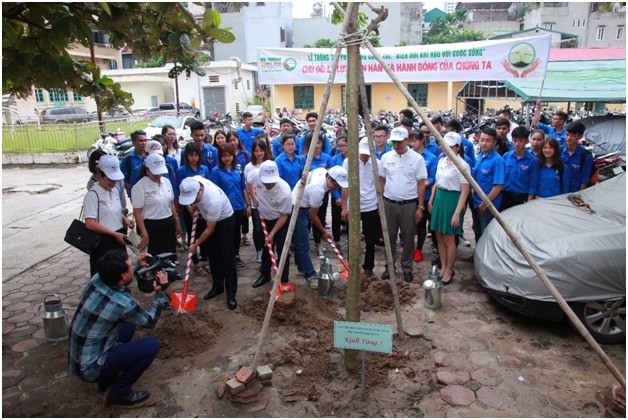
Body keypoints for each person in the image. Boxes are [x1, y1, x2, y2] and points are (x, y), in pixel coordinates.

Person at [68, 249, 170, 406]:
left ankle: (106, 381)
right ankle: (120, 392)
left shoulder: (97, 279)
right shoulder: (122, 303)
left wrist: (137, 264)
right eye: (131, 267)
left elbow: (122, 274)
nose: (133, 268)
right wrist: (160, 293)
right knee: (151, 345)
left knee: (128, 326)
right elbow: (150, 322)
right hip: (91, 369)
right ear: (122, 275)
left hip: (78, 360)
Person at [179, 175, 238, 309]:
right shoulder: (193, 181)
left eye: (194, 198)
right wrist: (194, 206)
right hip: (209, 218)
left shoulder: (213, 200)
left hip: (225, 222)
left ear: (200, 190)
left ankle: (231, 294)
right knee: (213, 256)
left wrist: (195, 245)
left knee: (227, 258)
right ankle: (217, 287)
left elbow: (210, 229)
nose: (193, 201)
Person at [379, 127, 427, 283]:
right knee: (389, 236)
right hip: (389, 203)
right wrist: (380, 202)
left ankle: (407, 267)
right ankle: (389, 266)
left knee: (407, 237)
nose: (397, 145)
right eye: (394, 142)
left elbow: (421, 184)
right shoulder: (386, 157)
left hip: (409, 204)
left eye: (399, 142)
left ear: (407, 140)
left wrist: (420, 207)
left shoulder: (417, 159)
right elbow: (382, 180)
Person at [292, 166, 348, 288]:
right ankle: (310, 275)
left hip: (301, 201)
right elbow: (313, 215)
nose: (337, 188)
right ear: (329, 178)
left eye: (339, 186)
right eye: (336, 185)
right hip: (298, 208)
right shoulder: (317, 189)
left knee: (299, 239)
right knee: (303, 243)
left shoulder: (322, 172)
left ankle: (301, 266)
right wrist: (324, 231)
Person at [428, 132, 471, 284]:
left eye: (451, 146)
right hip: (440, 199)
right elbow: (437, 183)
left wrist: (457, 213)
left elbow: (465, 191)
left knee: (449, 238)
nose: (446, 149)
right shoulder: (441, 161)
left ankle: (450, 270)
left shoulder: (463, 165)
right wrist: (431, 200)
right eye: (444, 146)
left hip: (453, 201)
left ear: (458, 147)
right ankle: (443, 266)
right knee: (439, 235)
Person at [84, 155, 134, 277]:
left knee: (120, 274)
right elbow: (90, 223)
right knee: (106, 275)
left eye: (115, 180)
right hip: (103, 242)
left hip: (118, 237)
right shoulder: (93, 195)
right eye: (110, 179)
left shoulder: (115, 191)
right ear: (100, 175)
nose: (113, 183)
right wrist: (113, 234)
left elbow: (114, 210)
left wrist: (124, 218)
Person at [248, 160, 293, 288]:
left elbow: (284, 216)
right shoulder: (255, 175)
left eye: (271, 181)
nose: (268, 184)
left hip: (280, 220)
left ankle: (283, 279)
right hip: (264, 217)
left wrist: (272, 234)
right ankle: (265, 274)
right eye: (265, 181)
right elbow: (248, 180)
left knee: (282, 248)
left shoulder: (284, 192)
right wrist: (254, 197)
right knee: (266, 247)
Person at [341, 138, 382, 277]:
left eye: (367, 154)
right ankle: (352, 265)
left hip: (370, 205)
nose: (364, 156)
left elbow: (381, 181)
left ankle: (368, 266)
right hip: (354, 205)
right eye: (362, 153)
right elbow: (345, 184)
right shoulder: (349, 162)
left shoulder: (377, 163)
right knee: (352, 238)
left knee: (370, 239)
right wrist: (344, 207)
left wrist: (378, 202)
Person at [131, 154, 181, 257]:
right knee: (155, 258)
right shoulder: (140, 187)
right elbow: (137, 212)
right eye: (155, 173)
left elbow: (171, 203)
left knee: (169, 256)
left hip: (168, 223)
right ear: (147, 169)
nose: (158, 176)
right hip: (151, 226)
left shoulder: (166, 182)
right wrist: (144, 233)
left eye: (160, 172)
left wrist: (176, 221)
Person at [210, 143, 251, 268]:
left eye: (229, 155)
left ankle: (236, 255)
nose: (227, 158)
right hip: (224, 208)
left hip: (238, 205)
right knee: (226, 233)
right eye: (224, 156)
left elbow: (243, 187)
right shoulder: (216, 171)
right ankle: (226, 257)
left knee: (236, 233)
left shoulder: (238, 168)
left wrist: (248, 204)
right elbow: (214, 190)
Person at [174, 142, 211, 273]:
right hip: (188, 209)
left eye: (196, 155)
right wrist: (190, 208)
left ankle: (205, 259)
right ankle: (195, 263)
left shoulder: (204, 169)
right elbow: (180, 192)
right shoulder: (181, 171)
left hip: (203, 208)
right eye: (191, 155)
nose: (193, 158)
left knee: (205, 234)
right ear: (186, 156)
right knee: (192, 236)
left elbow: (207, 188)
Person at [471, 127, 505, 241]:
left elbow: (498, 186)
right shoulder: (479, 157)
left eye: (488, 140)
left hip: (488, 205)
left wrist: (486, 203)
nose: (484, 143)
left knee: (486, 233)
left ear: (495, 142)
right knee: (477, 230)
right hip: (476, 202)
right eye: (482, 139)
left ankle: (485, 257)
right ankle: (477, 255)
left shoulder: (497, 160)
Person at [409, 130, 437, 263]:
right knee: (411, 223)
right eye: (411, 140)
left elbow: (432, 178)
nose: (412, 143)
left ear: (422, 141)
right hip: (409, 196)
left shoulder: (431, 158)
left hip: (425, 196)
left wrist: (421, 185)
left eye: (415, 140)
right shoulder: (408, 156)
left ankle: (419, 248)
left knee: (422, 223)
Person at [304, 130, 332, 259]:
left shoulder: (327, 158)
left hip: (323, 193)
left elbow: (331, 177)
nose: (316, 145)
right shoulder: (305, 158)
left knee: (319, 216)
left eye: (319, 142)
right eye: (313, 143)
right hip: (308, 194)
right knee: (310, 218)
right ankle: (312, 243)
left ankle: (318, 243)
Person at [245, 138, 273, 263]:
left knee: (268, 227)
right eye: (256, 151)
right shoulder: (249, 167)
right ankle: (259, 250)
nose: (259, 153)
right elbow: (248, 184)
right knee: (257, 227)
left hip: (269, 201)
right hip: (255, 202)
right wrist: (253, 199)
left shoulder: (270, 164)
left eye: (261, 150)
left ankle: (269, 249)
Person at [500, 126, 539, 211]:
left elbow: (533, 184)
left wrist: (528, 204)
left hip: (521, 199)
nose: (517, 144)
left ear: (526, 141)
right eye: (515, 140)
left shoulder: (533, 161)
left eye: (520, 141)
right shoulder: (506, 156)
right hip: (505, 196)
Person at [227, 131, 252, 247]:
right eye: (230, 140)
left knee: (244, 214)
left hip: (243, 185)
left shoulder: (244, 154)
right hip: (232, 187)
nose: (233, 142)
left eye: (234, 139)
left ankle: (245, 235)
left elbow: (247, 170)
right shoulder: (226, 155)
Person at [86, 149, 127, 216]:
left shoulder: (117, 181)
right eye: (109, 179)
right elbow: (90, 221)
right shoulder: (92, 190)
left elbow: (122, 198)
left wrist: (123, 214)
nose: (113, 183)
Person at [561, 121, 594, 192]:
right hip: (558, 191)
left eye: (573, 136)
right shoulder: (559, 151)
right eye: (567, 135)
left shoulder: (586, 156)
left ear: (580, 136)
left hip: (573, 193)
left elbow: (584, 179)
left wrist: (580, 195)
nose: (568, 138)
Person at [329, 135, 348, 252]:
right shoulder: (334, 159)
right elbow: (331, 179)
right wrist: (337, 197)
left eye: (344, 146)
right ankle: (337, 241)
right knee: (336, 218)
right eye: (339, 146)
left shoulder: (354, 159)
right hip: (337, 193)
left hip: (349, 194)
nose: (341, 148)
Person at [120, 130, 148, 196]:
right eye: (140, 141)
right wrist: (132, 193)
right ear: (133, 143)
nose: (144, 143)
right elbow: (125, 181)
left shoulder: (150, 156)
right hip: (136, 194)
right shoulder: (127, 160)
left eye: (145, 140)